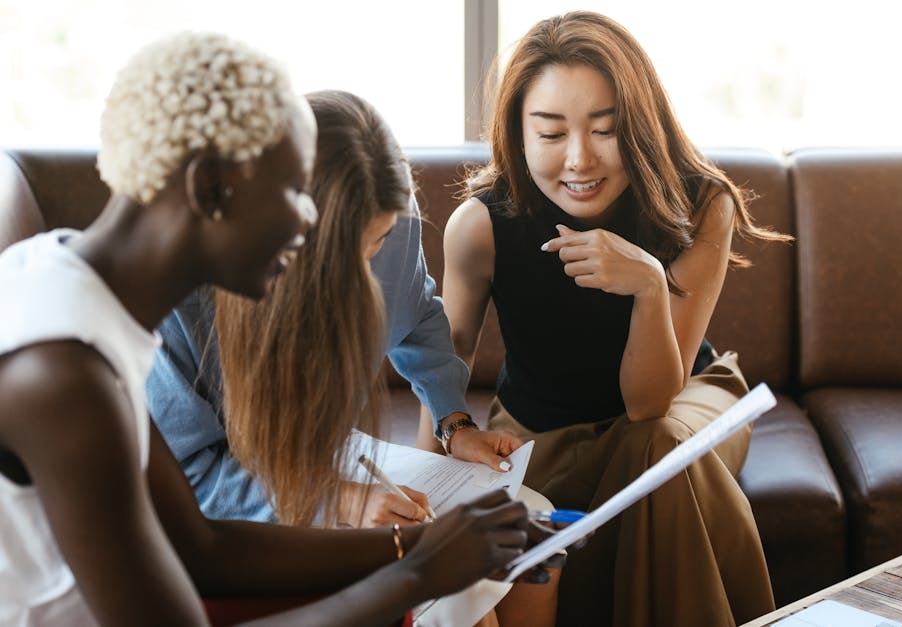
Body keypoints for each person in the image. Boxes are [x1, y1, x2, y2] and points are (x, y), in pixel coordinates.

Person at [0, 32, 546, 627]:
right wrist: (416, 573)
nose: (305, 221)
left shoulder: (82, 297)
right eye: (292, 192)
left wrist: (417, 546)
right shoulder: (61, 376)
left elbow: (201, 546)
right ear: (211, 189)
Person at [417, 11, 792, 627]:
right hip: (541, 428)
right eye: (551, 133)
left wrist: (648, 286)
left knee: (657, 445)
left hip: (686, 403)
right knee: (649, 454)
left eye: (605, 129)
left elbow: (650, 405)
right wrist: (424, 486)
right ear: (517, 134)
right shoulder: (481, 225)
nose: (580, 160)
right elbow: (442, 362)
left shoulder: (702, 206)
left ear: (640, 126)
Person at [159, 88, 561, 627]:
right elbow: (185, 481)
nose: (367, 271)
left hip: (330, 453)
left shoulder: (392, 224)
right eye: (348, 251)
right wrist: (339, 502)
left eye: (379, 242)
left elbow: (417, 315)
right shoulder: (181, 298)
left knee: (529, 522)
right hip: (240, 504)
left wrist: (453, 421)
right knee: (461, 595)